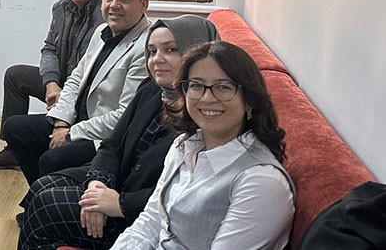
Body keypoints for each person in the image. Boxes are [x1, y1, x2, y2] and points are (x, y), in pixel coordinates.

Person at [18, 15, 219, 249]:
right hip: (117, 183)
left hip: (142, 216)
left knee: (46, 206)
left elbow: (186, 192)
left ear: (199, 52)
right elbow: (113, 145)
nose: (157, 59)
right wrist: (98, 184)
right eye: (152, 51)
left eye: (171, 49)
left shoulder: (208, 112)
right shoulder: (152, 89)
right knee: (41, 187)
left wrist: (119, 203)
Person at [111, 41, 295, 249]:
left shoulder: (261, 182)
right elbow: (151, 222)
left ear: (249, 100)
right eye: (196, 86)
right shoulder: (184, 145)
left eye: (223, 87)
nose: (207, 98)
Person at [3, 0, 152, 186]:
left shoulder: (146, 47)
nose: (114, 5)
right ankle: (41, 193)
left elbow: (124, 117)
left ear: (143, 4)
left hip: (107, 136)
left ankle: (46, 194)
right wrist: (61, 121)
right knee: (14, 128)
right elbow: (75, 79)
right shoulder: (101, 31)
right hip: (78, 118)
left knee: (51, 159)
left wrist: (71, 133)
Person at [0, 0, 104, 170]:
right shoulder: (60, 8)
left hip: (86, 90)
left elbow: (95, 68)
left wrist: (66, 94)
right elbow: (49, 49)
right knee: (15, 75)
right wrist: (51, 83)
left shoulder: (106, 12)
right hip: (61, 82)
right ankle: (13, 151)